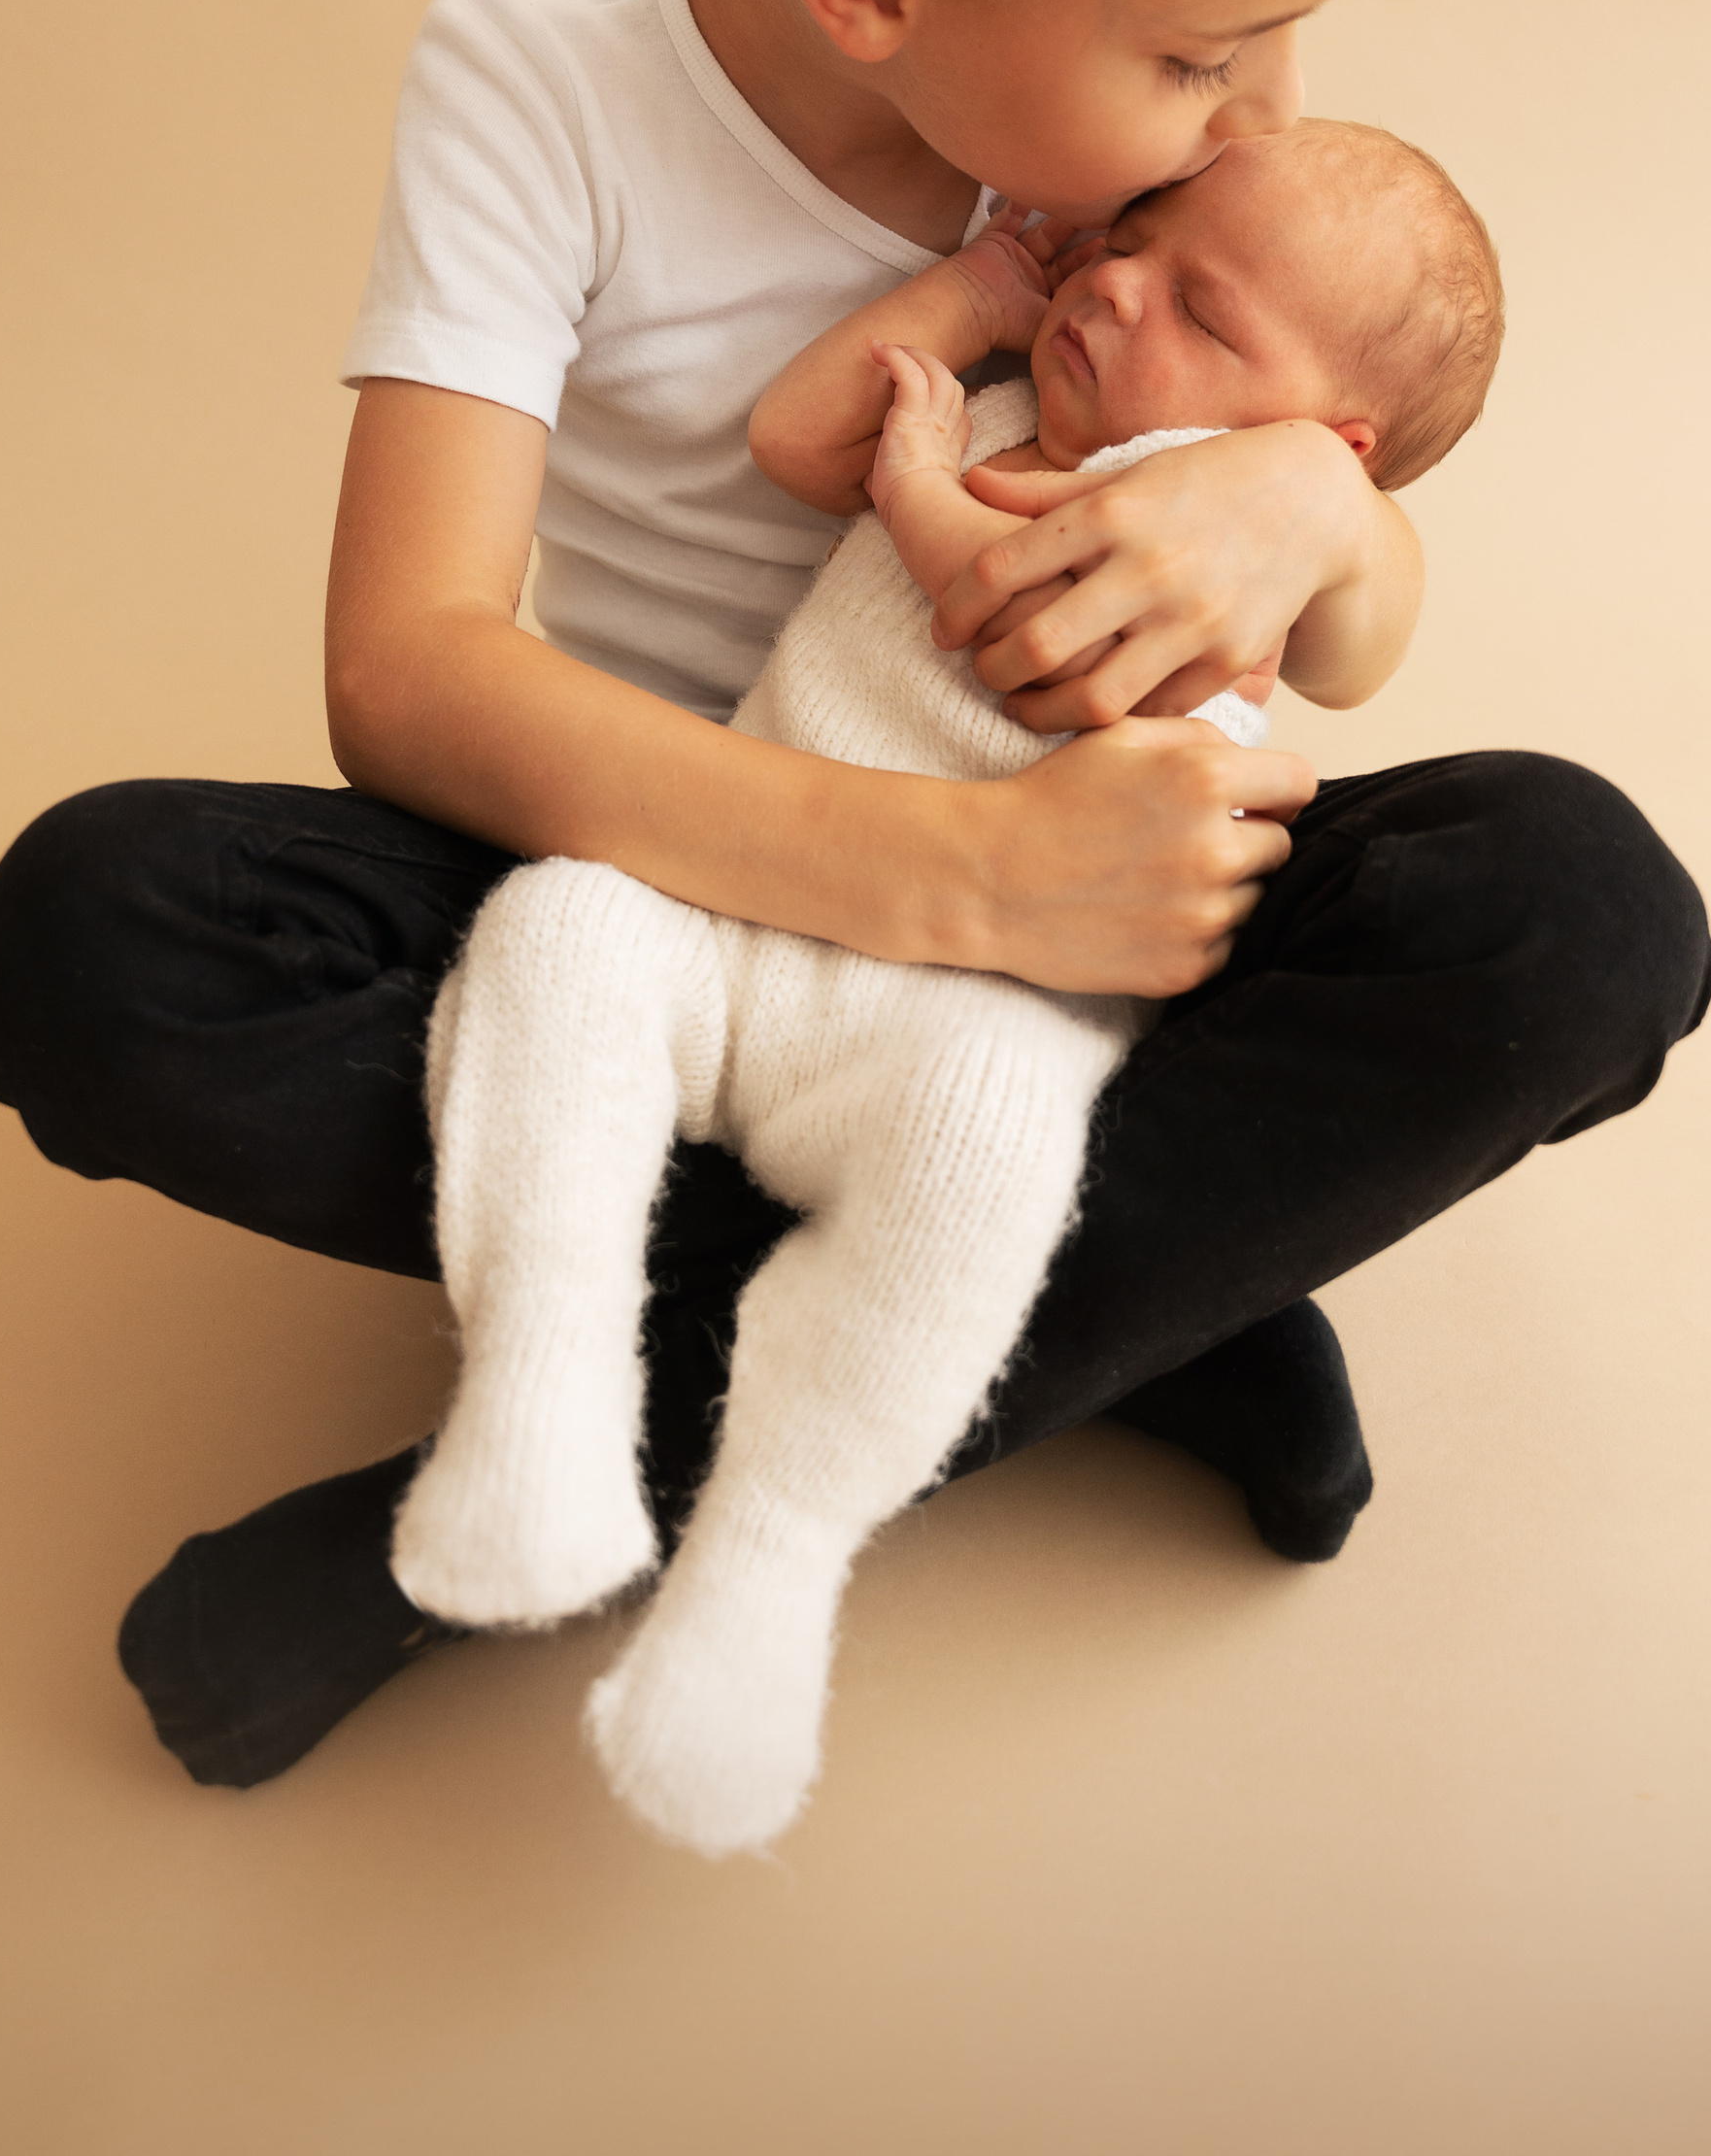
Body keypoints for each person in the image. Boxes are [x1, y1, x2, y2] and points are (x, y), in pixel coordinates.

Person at [0, 0, 1711, 1797]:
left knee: (1581, 910)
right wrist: (951, 884)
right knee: (90, 936)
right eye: (1216, 52)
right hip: (673, 892)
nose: (1263, 121)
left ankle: (591, 1464)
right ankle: (1141, 1283)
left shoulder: (1165, 154)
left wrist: (1318, 526)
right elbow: (411, 671)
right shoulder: (534, 72)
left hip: (1101, 926)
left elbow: (1357, 612)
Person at [397, 118, 1502, 1856]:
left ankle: (766, 1566)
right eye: (1135, 232)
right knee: (560, 931)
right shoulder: (1004, 407)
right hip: (742, 903)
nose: (1121, 282)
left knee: (995, 1152)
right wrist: (979, 294)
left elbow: (1017, 623)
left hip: (960, 1010)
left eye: (1202, 311)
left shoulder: (1214, 540)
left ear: (1320, 444)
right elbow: (790, 431)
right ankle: (539, 1392)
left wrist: (951, 486)